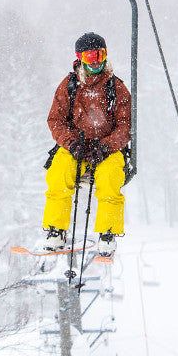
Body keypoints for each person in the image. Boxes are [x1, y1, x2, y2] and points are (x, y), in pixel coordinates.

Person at [40, 32, 132, 258]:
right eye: (90, 57)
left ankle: (107, 233)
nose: (96, 62)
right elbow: (56, 120)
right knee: (59, 173)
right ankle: (56, 228)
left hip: (107, 150)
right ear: (80, 58)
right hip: (77, 147)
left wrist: (106, 146)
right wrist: (72, 144)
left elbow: (125, 126)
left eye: (100, 55)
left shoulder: (116, 88)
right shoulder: (70, 86)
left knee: (110, 177)